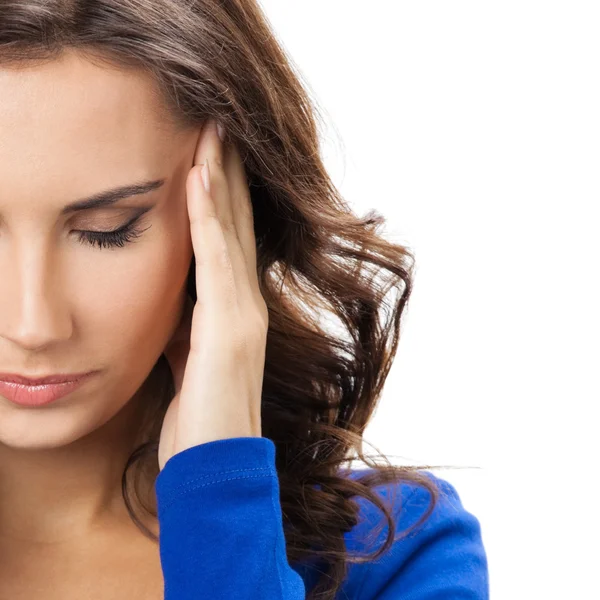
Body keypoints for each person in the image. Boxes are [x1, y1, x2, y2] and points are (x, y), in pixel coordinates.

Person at [0, 2, 489, 599]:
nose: (33, 324)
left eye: (109, 228)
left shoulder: (392, 555)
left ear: (237, 209)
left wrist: (219, 498)